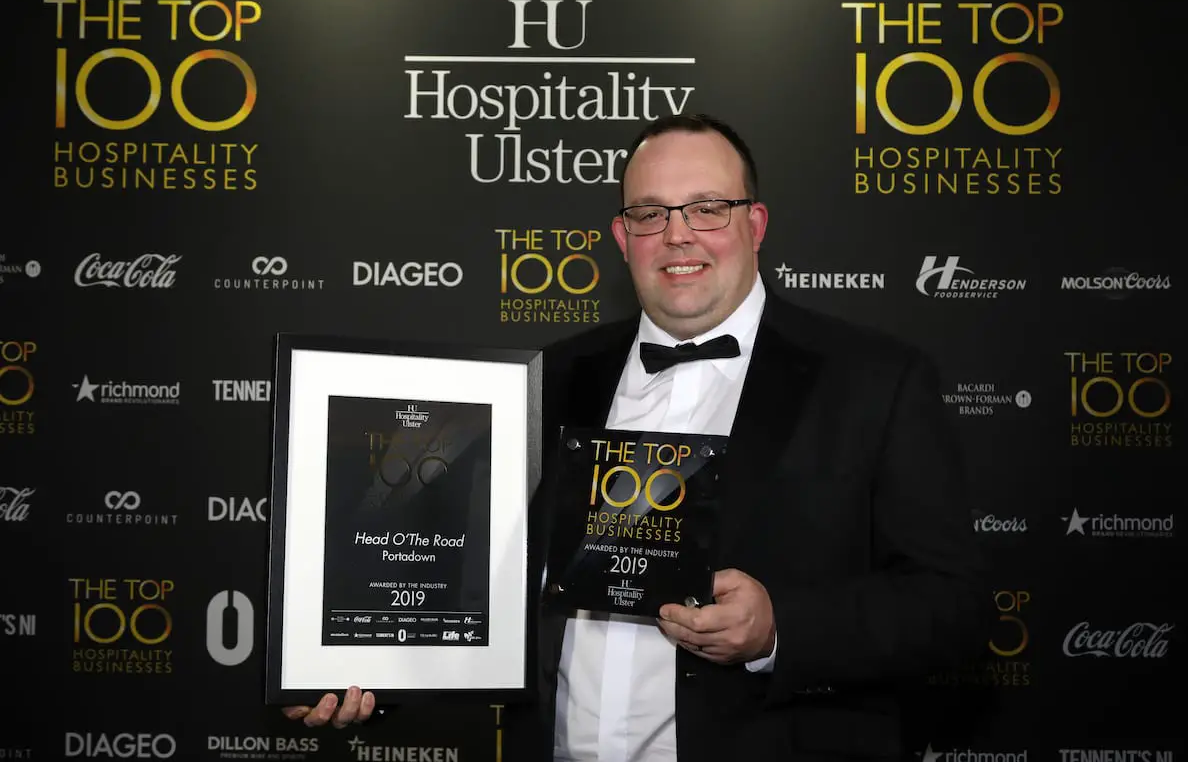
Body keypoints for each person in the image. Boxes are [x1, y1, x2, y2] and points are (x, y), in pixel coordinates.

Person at [285, 113, 990, 761]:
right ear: (623, 238)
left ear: (757, 224)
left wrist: (781, 629)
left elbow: (952, 606)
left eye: (708, 208)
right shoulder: (548, 378)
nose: (678, 234)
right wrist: (363, 662)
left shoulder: (873, 380)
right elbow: (459, 579)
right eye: (650, 213)